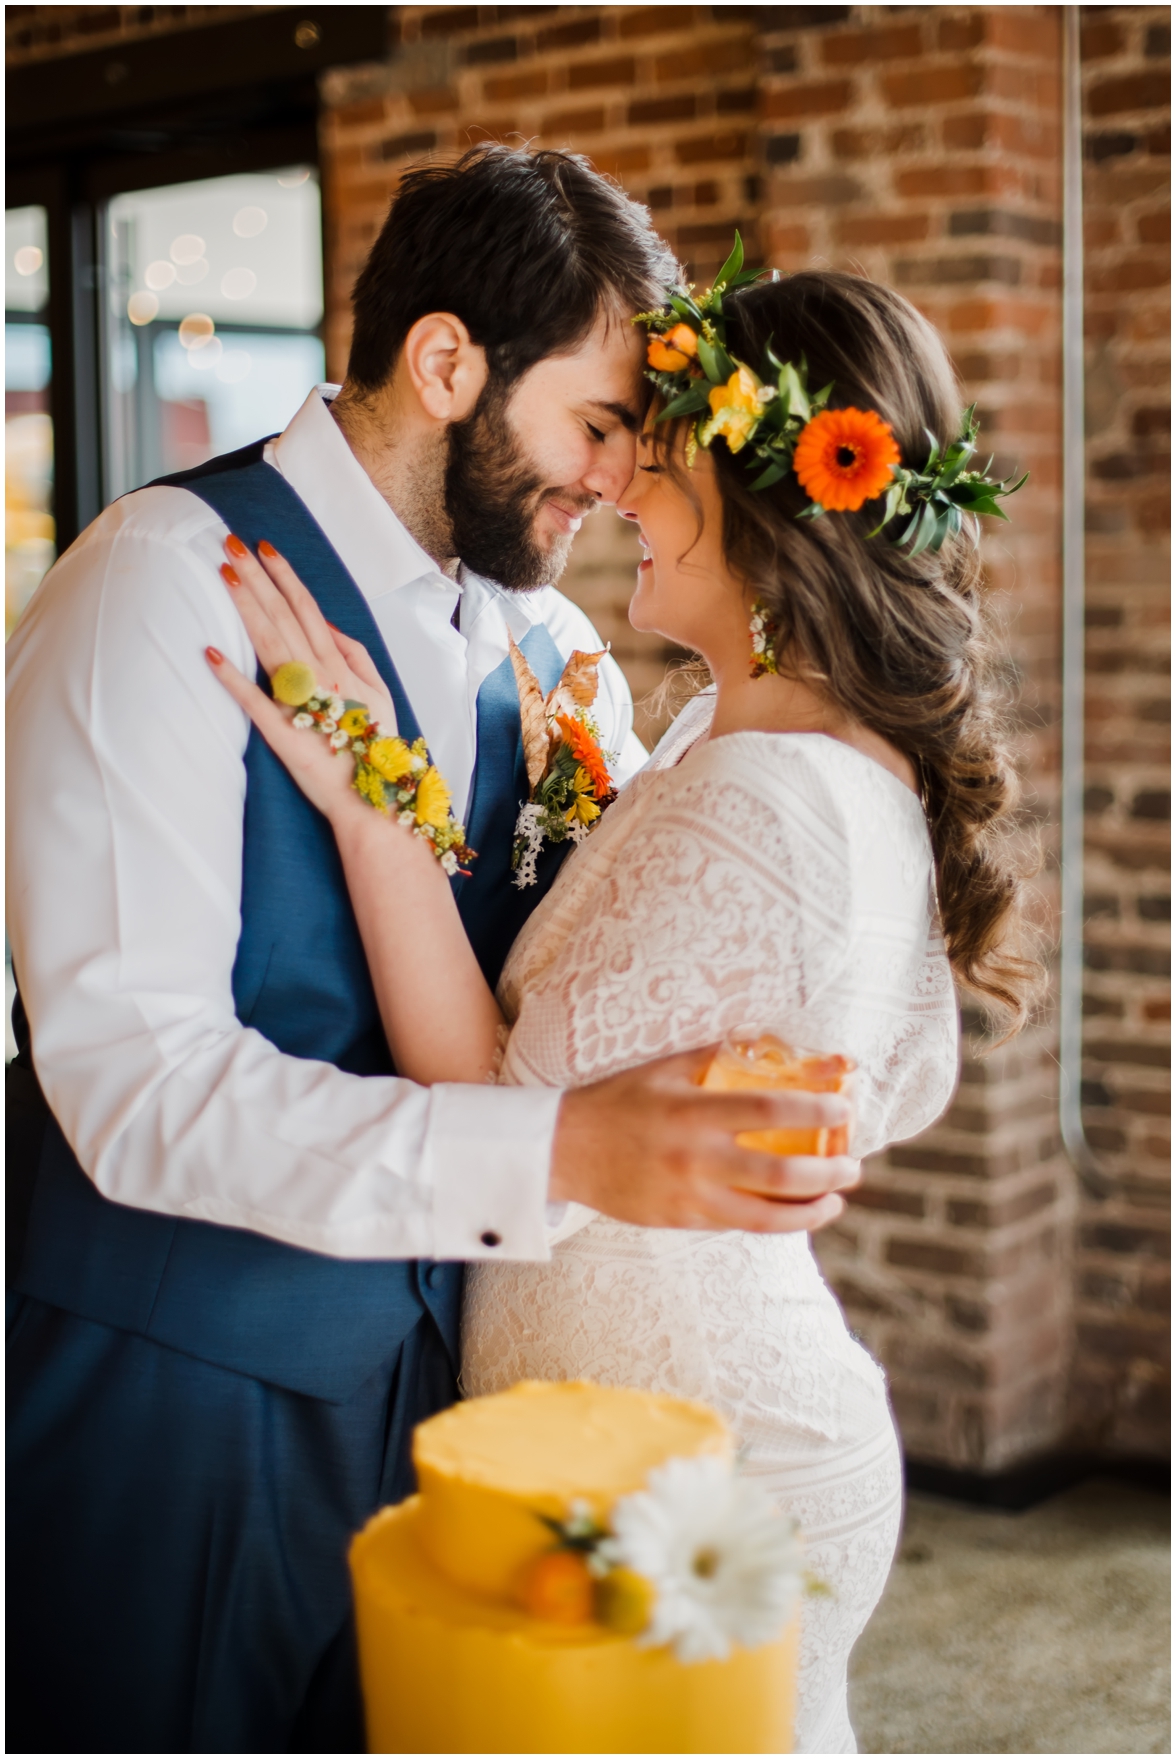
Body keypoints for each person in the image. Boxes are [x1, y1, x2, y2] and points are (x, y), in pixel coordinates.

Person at [6, 150, 855, 1754]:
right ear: (449, 363)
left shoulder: (549, 645)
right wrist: (564, 1148)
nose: (613, 481)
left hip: (452, 1397)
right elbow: (132, 1084)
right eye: (595, 425)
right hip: (180, 1397)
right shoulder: (157, 587)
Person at [209, 261, 1041, 1753]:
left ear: (769, 511)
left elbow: (494, 1109)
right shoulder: (809, 755)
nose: (618, 488)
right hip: (700, 1424)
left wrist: (365, 788)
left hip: (676, 1478)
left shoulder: (752, 796)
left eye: (655, 463)